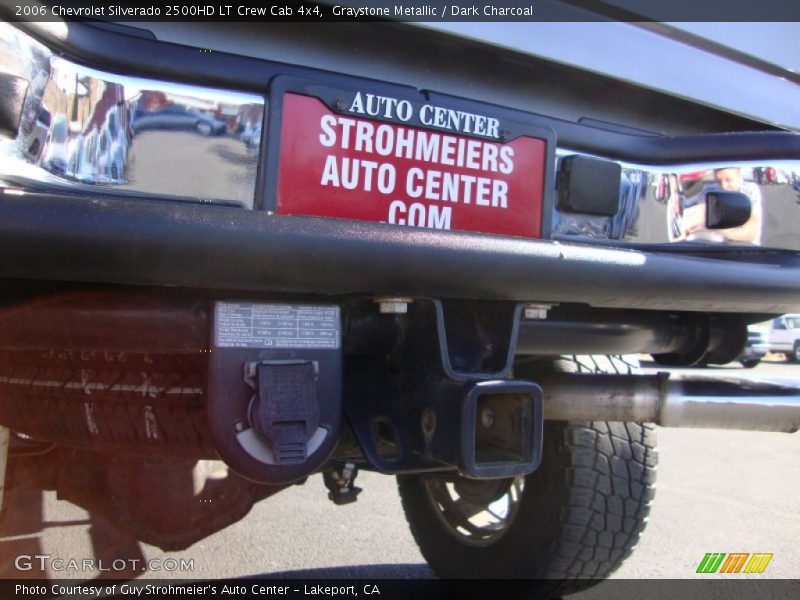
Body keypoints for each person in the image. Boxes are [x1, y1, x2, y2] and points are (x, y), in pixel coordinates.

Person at [675, 167, 762, 244]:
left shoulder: (749, 191)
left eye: (728, 180)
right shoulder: (712, 190)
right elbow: (698, 218)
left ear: (740, 175)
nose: (723, 186)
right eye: (719, 181)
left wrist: (714, 227)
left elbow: (751, 233)